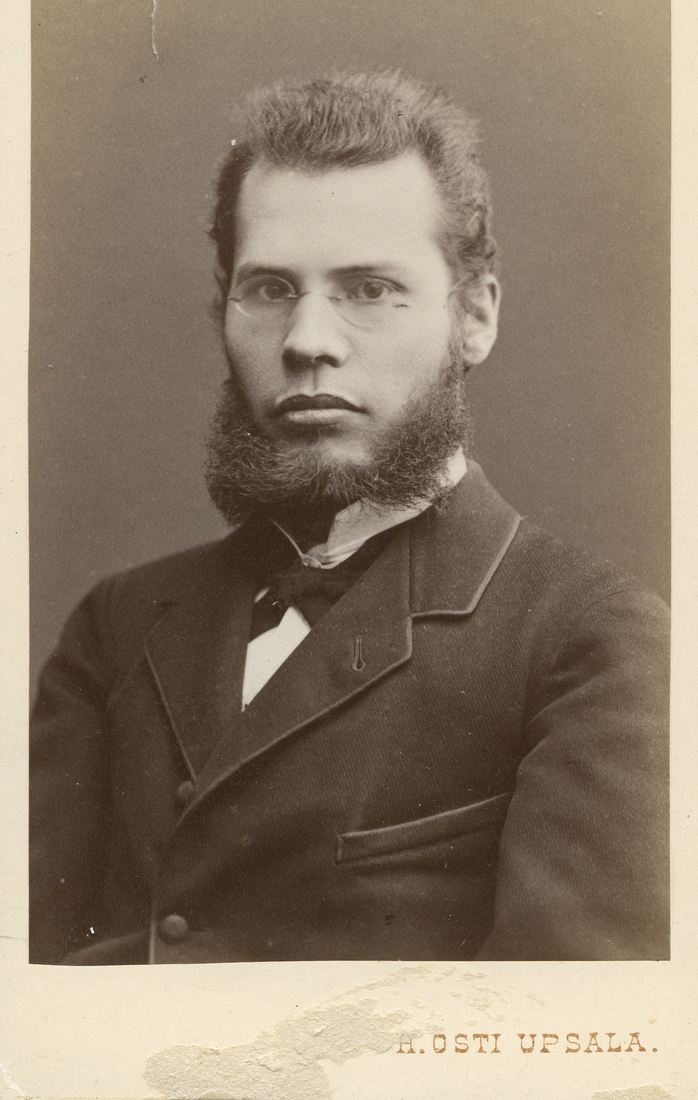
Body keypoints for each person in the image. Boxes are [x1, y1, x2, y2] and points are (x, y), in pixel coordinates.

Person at [29, 70, 669, 965]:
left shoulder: (590, 639)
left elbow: (559, 1024)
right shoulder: (117, 629)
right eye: (269, 289)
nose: (307, 341)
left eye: (368, 289)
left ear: (475, 318)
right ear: (223, 311)